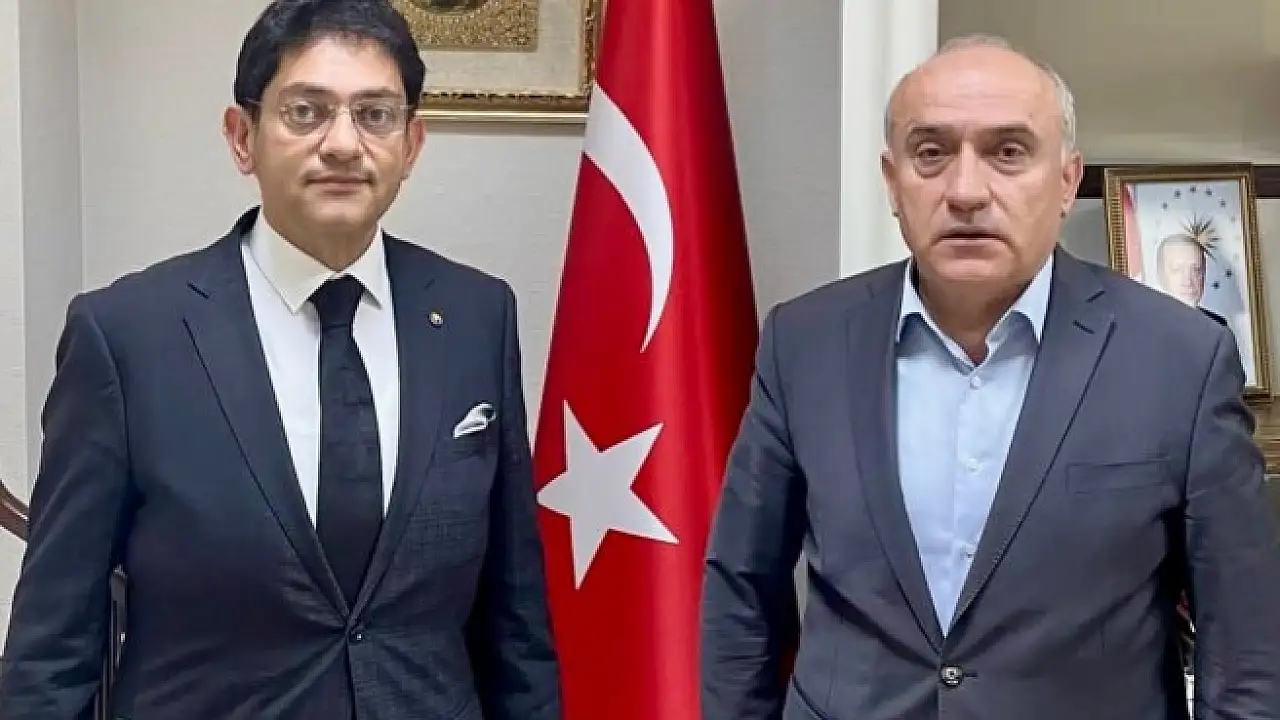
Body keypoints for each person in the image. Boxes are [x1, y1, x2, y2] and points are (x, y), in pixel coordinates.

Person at [0, 1, 561, 717]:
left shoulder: (476, 316)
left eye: (375, 115)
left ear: (412, 144)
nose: (343, 144)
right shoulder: (128, 336)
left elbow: (515, 620)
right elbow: (52, 646)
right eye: (306, 112)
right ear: (243, 137)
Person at [700, 34, 1280, 720]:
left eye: (1008, 152)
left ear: (1066, 180)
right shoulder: (804, 343)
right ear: (892, 182)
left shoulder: (1180, 358)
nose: (966, 191)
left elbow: (1245, 644)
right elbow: (744, 589)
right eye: (931, 153)